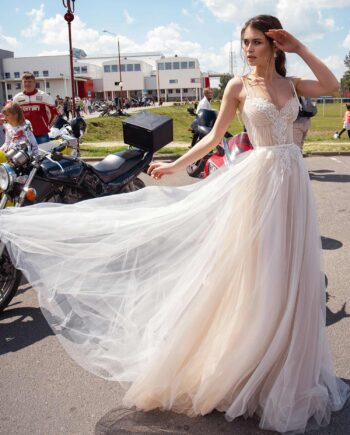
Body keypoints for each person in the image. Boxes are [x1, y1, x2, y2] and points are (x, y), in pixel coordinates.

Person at [0, 15, 349, 434]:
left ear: (275, 46)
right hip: (259, 184)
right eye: (245, 42)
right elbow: (212, 136)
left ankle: (283, 365)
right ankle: (250, 364)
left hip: (293, 184)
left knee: (292, 273)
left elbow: (332, 87)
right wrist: (179, 163)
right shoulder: (238, 86)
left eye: (257, 42)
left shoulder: (291, 86)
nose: (249, 49)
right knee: (259, 273)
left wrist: (301, 48)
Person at [13, 72, 57, 144]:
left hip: (41, 134)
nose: (27, 84)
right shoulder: (17, 98)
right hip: (24, 135)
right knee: (25, 155)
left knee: (44, 154)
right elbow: (13, 116)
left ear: (34, 82)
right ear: (22, 83)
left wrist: (47, 125)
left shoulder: (44, 96)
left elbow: (53, 113)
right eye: (25, 82)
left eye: (30, 81)